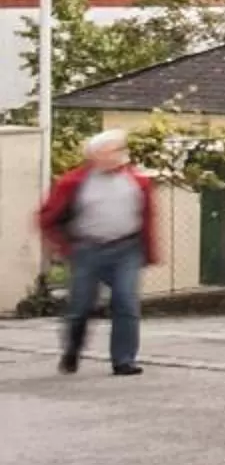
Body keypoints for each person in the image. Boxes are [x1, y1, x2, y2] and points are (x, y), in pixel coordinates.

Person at [36, 130, 160, 376]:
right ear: (94, 155)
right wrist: (65, 247)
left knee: (126, 301)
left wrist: (148, 251)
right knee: (81, 306)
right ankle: (72, 349)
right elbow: (47, 217)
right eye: (110, 151)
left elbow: (147, 217)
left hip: (126, 248)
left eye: (118, 149)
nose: (116, 155)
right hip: (88, 248)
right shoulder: (74, 182)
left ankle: (124, 360)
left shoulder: (137, 181)